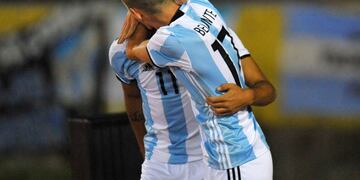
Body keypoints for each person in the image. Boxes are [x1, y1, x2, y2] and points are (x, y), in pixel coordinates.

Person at [120, 0, 276, 179]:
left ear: (137, 15)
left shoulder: (169, 40)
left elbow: (131, 51)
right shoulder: (203, 6)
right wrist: (249, 95)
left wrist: (248, 96)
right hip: (240, 150)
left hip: (233, 155)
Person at [109, 37, 205, 179]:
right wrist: (144, 148)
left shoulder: (191, 34)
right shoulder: (120, 50)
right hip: (158, 162)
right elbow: (132, 96)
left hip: (205, 157)